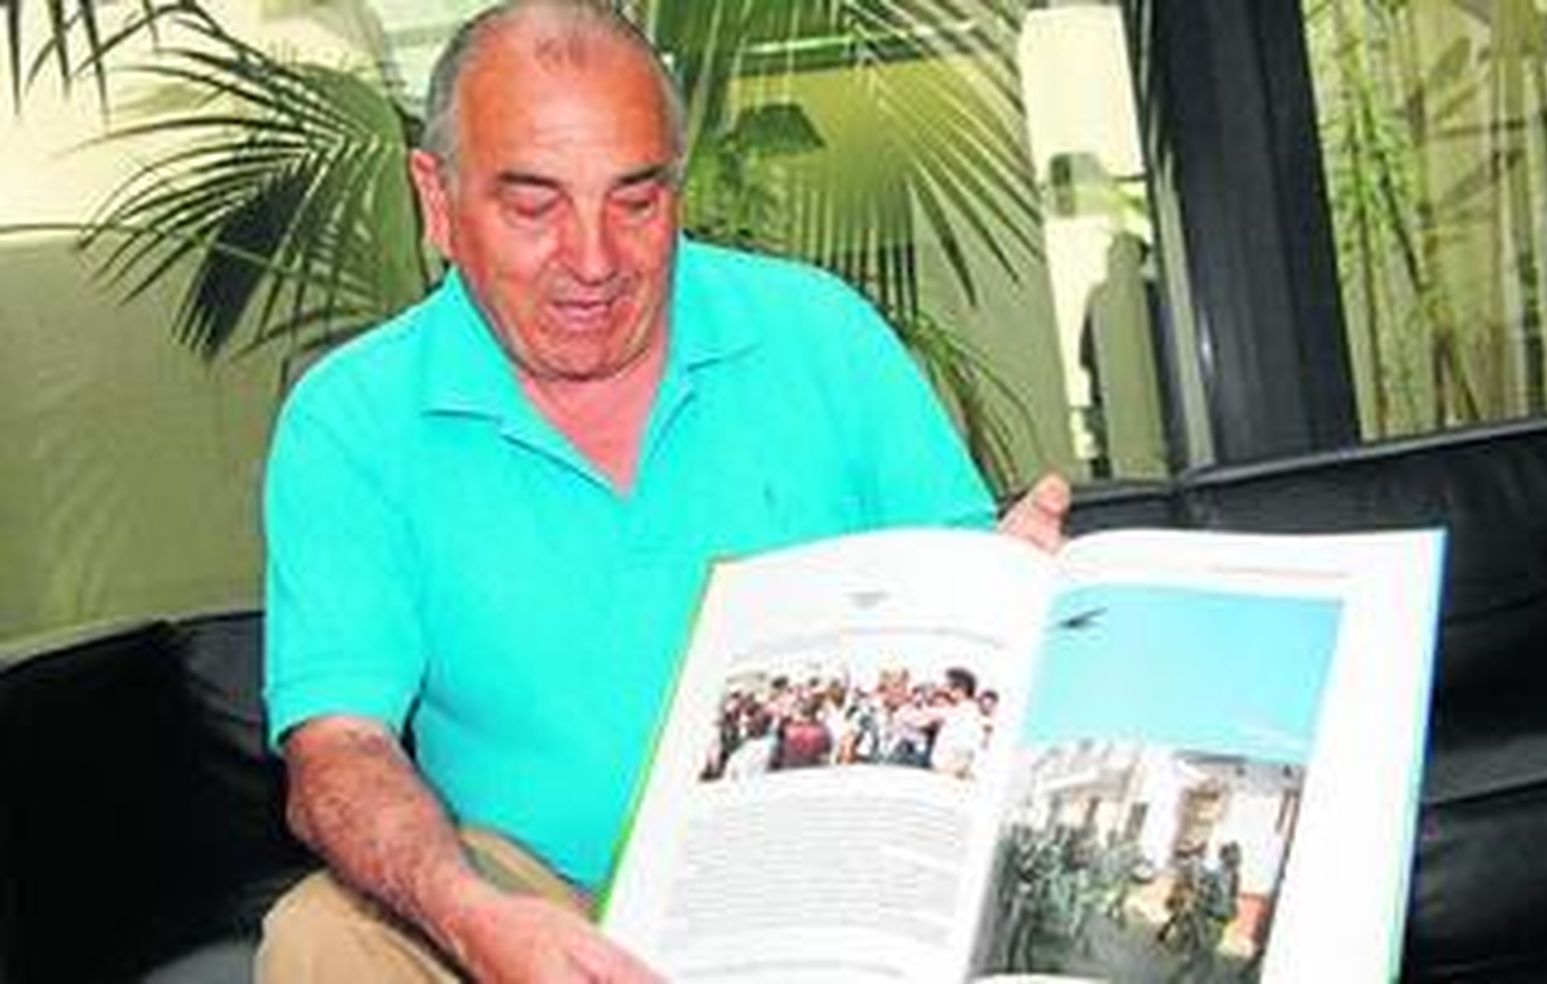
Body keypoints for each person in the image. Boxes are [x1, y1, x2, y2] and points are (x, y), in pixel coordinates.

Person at [256, 1, 1070, 981]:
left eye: (635, 202)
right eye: (533, 205)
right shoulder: (351, 419)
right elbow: (337, 750)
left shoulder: (820, 336)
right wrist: (475, 920)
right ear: (437, 200)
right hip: (538, 904)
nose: (594, 260)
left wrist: (1011, 604)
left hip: (830, 874)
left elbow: (957, 641)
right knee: (318, 938)